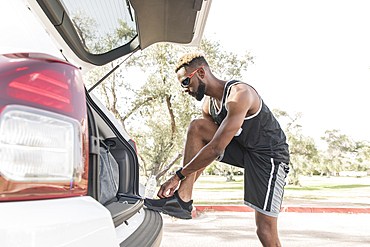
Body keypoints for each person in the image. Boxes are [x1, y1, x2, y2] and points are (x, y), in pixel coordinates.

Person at [144, 52, 290, 247]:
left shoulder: (239, 95)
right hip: (244, 150)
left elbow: (216, 149)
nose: (185, 89)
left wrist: (178, 176)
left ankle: (182, 197)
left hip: (269, 157)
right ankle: (182, 200)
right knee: (197, 128)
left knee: (264, 230)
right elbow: (205, 150)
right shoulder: (208, 106)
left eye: (186, 82)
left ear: (201, 72)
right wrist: (182, 185)